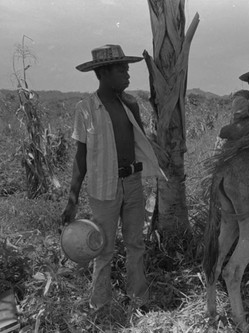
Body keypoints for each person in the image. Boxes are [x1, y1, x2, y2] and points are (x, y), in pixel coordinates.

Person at [61, 44, 162, 311]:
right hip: (103, 188)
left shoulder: (130, 103)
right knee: (102, 249)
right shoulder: (86, 109)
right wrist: (71, 200)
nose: (127, 76)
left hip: (132, 182)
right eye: (121, 70)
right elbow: (80, 158)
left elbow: (141, 141)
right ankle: (100, 305)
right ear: (104, 73)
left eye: (127, 70)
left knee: (135, 244)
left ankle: (138, 298)